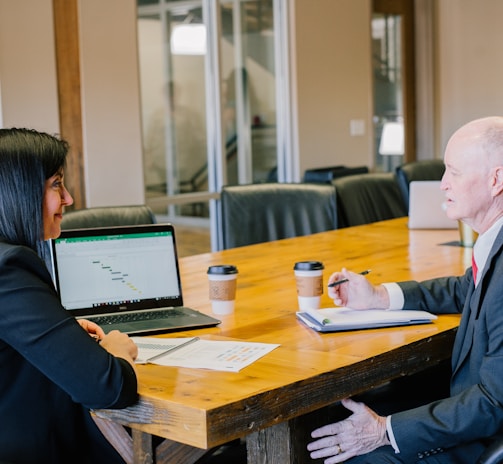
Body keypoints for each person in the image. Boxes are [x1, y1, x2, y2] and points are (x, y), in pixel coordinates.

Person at [307, 116, 503, 464]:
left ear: (496, 180)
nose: (442, 184)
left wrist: (383, 430)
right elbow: (466, 288)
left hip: (484, 445)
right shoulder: (495, 245)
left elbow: (493, 402)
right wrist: (380, 297)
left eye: (453, 172)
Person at [0, 128, 139, 463]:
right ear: (19, 192)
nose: (69, 199)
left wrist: (58, 327)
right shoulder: (9, 270)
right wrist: (115, 351)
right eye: (56, 184)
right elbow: (108, 388)